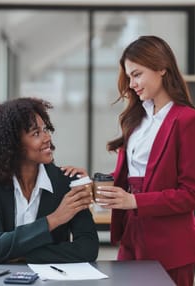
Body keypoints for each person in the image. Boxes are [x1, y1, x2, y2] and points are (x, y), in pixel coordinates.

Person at [63, 35, 195, 286]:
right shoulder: (136, 120)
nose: (131, 84)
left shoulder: (187, 120)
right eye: (128, 77)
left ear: (162, 68)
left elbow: (190, 194)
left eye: (137, 74)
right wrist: (93, 183)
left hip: (171, 245)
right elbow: (129, 178)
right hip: (132, 236)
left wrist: (134, 200)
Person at [0, 97, 99, 264]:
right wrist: (55, 219)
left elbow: (88, 248)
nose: (47, 138)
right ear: (12, 144)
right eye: (36, 133)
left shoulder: (67, 182)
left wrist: (22, 255)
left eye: (45, 129)